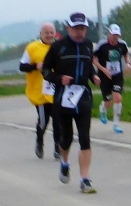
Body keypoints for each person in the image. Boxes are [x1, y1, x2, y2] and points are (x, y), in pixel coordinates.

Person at [42, 12, 101, 194]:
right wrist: (59, 78)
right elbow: (45, 70)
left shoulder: (88, 45)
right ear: (68, 28)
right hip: (63, 97)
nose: (79, 32)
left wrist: (93, 76)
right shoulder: (58, 47)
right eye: (76, 28)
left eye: (82, 28)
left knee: (85, 137)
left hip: (83, 95)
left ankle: (85, 179)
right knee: (66, 137)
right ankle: (65, 162)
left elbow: (88, 65)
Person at [19, 23, 60, 159]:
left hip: (55, 89)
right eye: (46, 33)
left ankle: (58, 148)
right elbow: (22, 66)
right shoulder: (32, 48)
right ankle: (39, 141)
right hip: (39, 91)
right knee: (43, 120)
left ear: (55, 33)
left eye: (51, 32)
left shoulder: (59, 47)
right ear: (41, 34)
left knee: (58, 120)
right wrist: (35, 66)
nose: (49, 35)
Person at [93, 23, 131, 133]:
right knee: (108, 102)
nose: (115, 37)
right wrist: (103, 69)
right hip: (104, 76)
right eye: (113, 35)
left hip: (117, 75)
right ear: (108, 34)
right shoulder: (102, 45)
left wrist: (128, 63)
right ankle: (103, 108)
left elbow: (126, 54)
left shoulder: (122, 44)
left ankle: (116, 124)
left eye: (117, 35)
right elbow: (94, 59)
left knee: (118, 98)